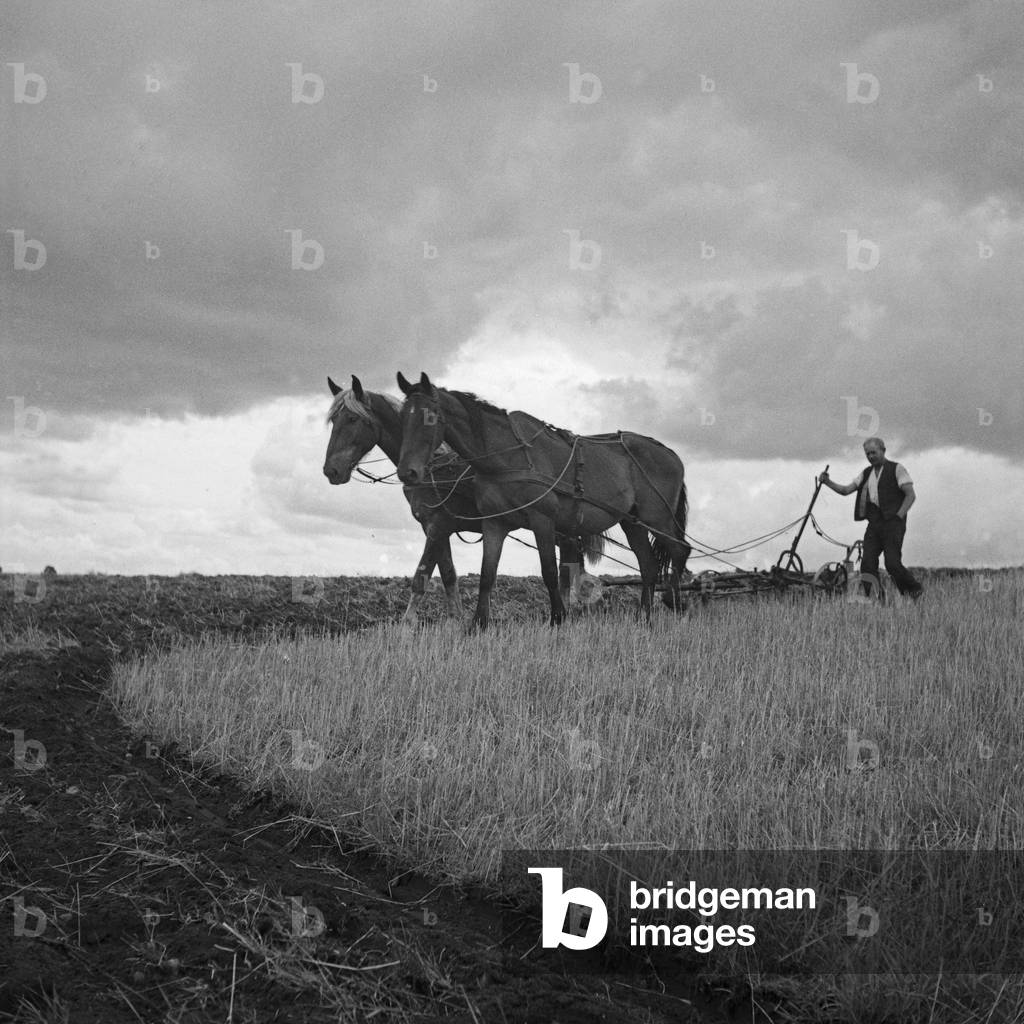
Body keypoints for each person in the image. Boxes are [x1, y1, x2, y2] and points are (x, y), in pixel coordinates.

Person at [820, 438, 923, 600]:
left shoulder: (897, 469)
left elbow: (911, 495)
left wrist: (898, 517)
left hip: (893, 523)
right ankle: (876, 598)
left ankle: (915, 592)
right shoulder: (866, 474)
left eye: (874, 453)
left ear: (883, 450)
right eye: (868, 454)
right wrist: (827, 482)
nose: (871, 457)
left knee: (892, 564)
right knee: (867, 563)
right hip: (875, 524)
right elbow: (846, 490)